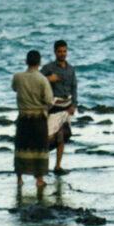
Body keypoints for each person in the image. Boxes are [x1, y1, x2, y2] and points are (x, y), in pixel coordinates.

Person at [12, 51, 54, 188]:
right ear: (39, 62)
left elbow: (14, 88)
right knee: (40, 148)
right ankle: (39, 179)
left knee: (21, 147)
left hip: (23, 117)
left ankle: (19, 178)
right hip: (38, 119)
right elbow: (48, 100)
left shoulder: (18, 77)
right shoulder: (43, 79)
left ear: (26, 62)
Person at [43, 41, 78, 174]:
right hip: (53, 107)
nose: (62, 54)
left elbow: (74, 88)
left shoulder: (71, 69)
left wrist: (74, 105)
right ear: (55, 52)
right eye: (60, 51)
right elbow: (37, 79)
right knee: (48, 138)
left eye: (64, 51)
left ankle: (58, 166)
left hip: (67, 106)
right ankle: (42, 167)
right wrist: (48, 79)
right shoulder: (49, 67)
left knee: (62, 138)